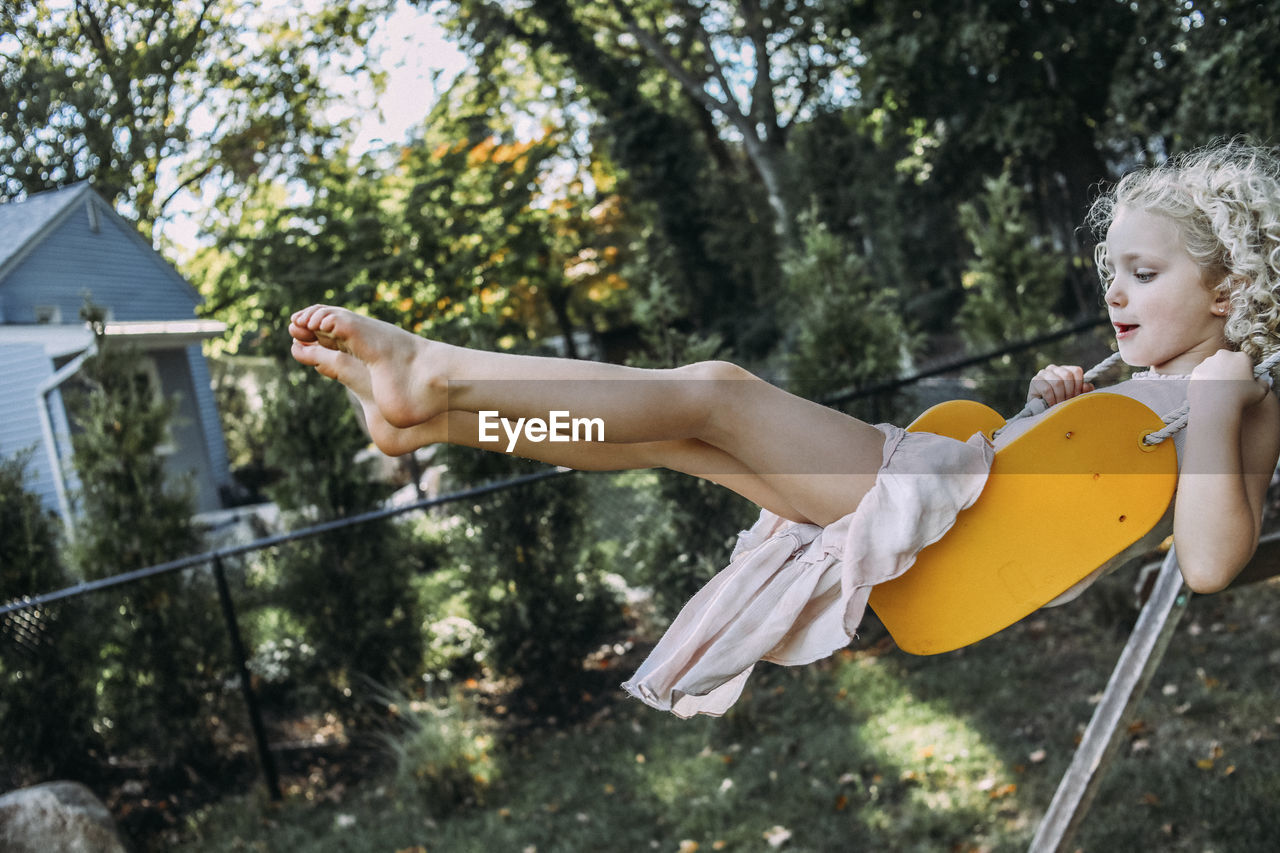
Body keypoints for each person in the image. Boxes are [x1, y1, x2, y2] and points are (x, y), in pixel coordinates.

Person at [290, 140, 1280, 717]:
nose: (1114, 292)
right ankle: (443, 418)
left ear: (1227, 287)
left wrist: (1211, 403)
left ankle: (431, 373)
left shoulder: (1233, 387)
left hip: (937, 508)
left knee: (714, 396)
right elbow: (1068, 477)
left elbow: (1208, 561)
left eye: (1143, 275)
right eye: (1111, 272)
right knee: (677, 440)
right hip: (945, 498)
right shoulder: (1160, 389)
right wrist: (1050, 408)